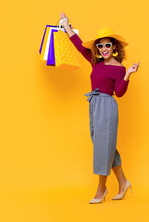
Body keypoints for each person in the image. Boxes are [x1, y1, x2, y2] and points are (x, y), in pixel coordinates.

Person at [60, 12, 140, 204]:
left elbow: (119, 93)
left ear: (114, 47)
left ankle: (101, 189)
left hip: (107, 105)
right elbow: (79, 46)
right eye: (100, 45)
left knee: (103, 147)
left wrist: (128, 74)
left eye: (107, 45)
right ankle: (123, 182)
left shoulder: (119, 68)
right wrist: (65, 24)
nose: (103, 48)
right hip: (94, 104)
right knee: (105, 146)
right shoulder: (96, 62)